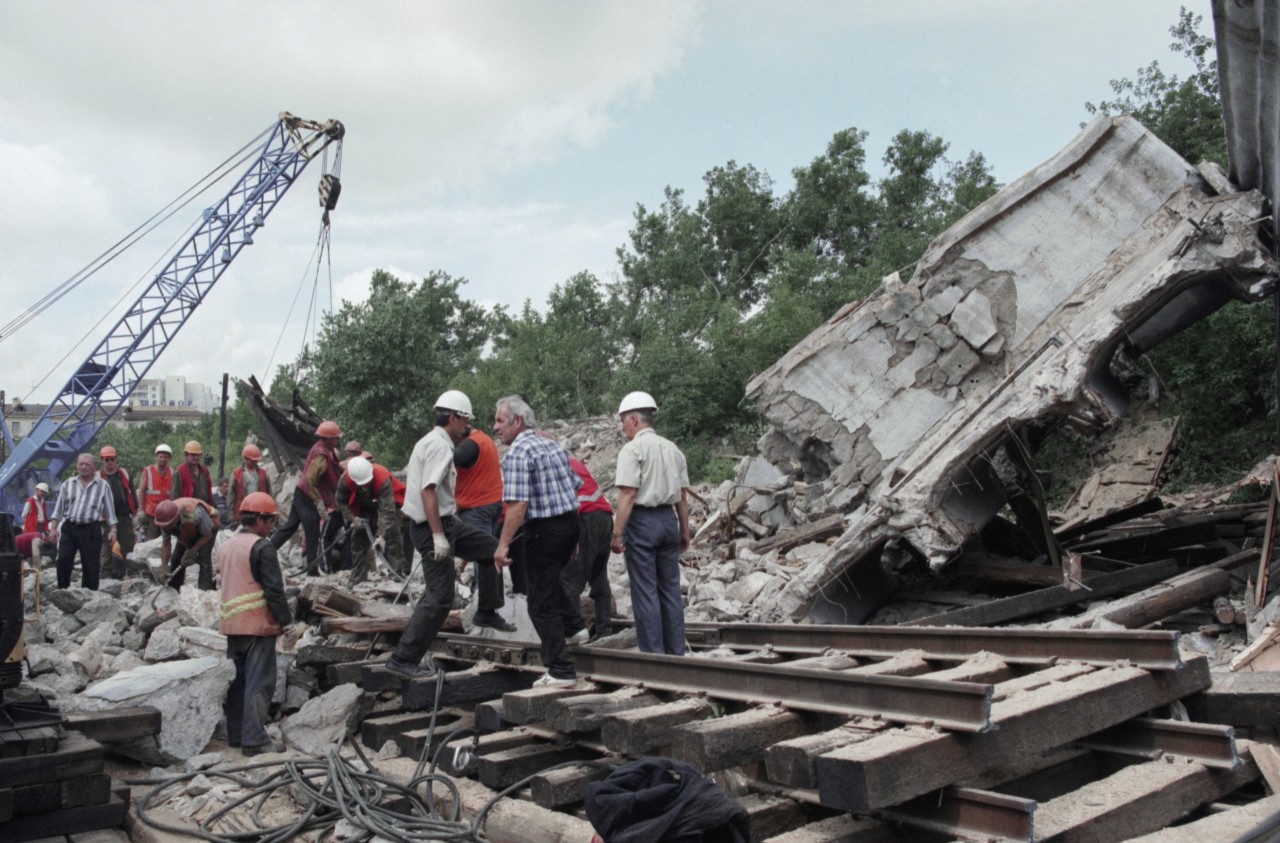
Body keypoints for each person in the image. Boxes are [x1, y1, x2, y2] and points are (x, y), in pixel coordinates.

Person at [385, 390, 499, 679]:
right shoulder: (439, 446)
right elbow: (428, 490)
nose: (467, 427)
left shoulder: (435, 442)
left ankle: (487, 609)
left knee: (493, 549)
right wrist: (438, 535)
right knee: (440, 596)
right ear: (452, 417)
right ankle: (403, 659)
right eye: (464, 421)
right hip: (431, 526)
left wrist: (447, 527)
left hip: (448, 522)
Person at [493, 396, 584, 687]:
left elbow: (518, 505)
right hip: (569, 521)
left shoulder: (518, 452)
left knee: (539, 603)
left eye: (499, 421)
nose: (496, 428)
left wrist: (503, 544)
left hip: (543, 529)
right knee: (551, 580)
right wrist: (574, 536)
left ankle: (561, 670)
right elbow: (574, 486)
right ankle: (575, 628)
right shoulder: (552, 444)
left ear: (517, 421)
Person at [610, 391, 690, 656]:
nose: (622, 427)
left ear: (633, 419)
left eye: (623, 421)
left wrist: (617, 533)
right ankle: (676, 653)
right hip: (668, 520)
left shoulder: (633, 450)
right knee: (670, 590)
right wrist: (684, 530)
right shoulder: (673, 449)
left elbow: (628, 494)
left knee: (645, 592)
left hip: (643, 522)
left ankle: (654, 657)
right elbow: (682, 495)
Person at [219, 491, 292, 756]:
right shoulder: (262, 547)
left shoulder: (227, 545)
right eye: (270, 520)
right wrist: (288, 623)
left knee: (237, 683)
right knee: (259, 682)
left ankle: (237, 735)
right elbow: (274, 590)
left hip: (231, 625)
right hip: (257, 625)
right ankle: (254, 741)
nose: (272, 526)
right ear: (259, 520)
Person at [455, 425, 515, 631]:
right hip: (491, 505)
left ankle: (484, 609)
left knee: (487, 553)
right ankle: (485, 606)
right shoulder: (483, 440)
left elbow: (451, 461)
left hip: (476, 505)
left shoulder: (469, 445)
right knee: (486, 549)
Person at [270, 420, 343, 575]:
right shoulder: (320, 455)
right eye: (336, 437)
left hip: (302, 493)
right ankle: (312, 569)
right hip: (307, 496)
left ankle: (267, 550)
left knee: (290, 526)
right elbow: (311, 480)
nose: (338, 439)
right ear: (328, 438)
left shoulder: (328, 451)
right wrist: (318, 502)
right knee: (313, 532)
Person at [561, 454, 615, 640]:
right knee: (599, 576)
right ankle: (604, 631)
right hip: (604, 517)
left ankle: (574, 633)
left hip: (585, 519)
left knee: (570, 580)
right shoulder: (574, 461)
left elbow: (567, 500)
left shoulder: (556, 463)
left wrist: (572, 537)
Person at [48, 453, 117, 590]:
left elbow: (110, 511)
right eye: (81, 464)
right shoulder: (68, 484)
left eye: (87, 464)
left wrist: (113, 530)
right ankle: (63, 591)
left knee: (91, 564)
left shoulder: (103, 486)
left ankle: (89, 595)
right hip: (70, 527)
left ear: (94, 468)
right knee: (63, 560)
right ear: (77, 465)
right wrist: (54, 528)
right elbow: (58, 509)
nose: (84, 467)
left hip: (91, 529)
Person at [335, 456, 405, 583]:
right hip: (366, 506)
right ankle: (358, 577)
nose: (365, 485)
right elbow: (340, 501)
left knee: (393, 532)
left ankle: (396, 574)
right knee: (358, 537)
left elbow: (387, 511)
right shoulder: (345, 481)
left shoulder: (382, 478)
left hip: (390, 503)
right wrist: (353, 518)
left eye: (367, 482)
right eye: (362, 484)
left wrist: (381, 535)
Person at [158, 497, 221, 590]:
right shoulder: (164, 520)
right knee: (176, 558)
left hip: (209, 526)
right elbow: (166, 543)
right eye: (165, 527)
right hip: (188, 530)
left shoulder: (194, 514)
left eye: (169, 525)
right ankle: (174, 588)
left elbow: (208, 534)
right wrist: (164, 566)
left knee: (204, 558)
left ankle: (204, 590)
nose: (166, 529)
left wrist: (192, 551)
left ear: (176, 518)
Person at [97, 446, 137, 579]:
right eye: (107, 459)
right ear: (102, 460)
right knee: (106, 544)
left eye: (112, 459)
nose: (109, 462)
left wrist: (135, 510)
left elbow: (131, 491)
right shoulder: (97, 477)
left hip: (124, 515)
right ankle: (106, 570)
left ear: (115, 459)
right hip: (106, 517)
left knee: (128, 543)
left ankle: (130, 569)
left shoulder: (124, 473)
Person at [136, 444, 174, 572]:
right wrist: (140, 510)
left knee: (166, 542)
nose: (163, 459)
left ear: (169, 458)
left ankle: (164, 568)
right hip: (151, 515)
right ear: (156, 457)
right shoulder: (147, 471)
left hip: (167, 516)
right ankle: (147, 569)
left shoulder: (172, 473)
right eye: (160, 456)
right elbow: (141, 491)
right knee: (150, 543)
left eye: (165, 457)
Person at [230, 444, 272, 521]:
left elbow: (269, 492)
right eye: (252, 460)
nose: (255, 462)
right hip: (243, 512)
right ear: (246, 458)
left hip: (260, 510)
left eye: (256, 460)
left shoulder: (263, 473)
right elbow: (231, 496)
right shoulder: (236, 474)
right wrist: (231, 514)